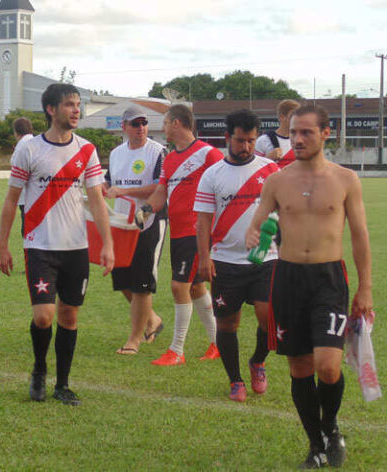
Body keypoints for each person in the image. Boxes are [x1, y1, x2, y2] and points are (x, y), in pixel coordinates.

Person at [247, 105, 372, 469]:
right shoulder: (277, 180)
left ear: (325, 134)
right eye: (293, 132)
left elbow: (361, 236)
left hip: (329, 279)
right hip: (287, 279)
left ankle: (330, 425)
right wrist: (254, 233)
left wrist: (365, 289)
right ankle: (316, 446)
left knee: (328, 366)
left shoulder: (346, 179)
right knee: (299, 368)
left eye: (306, 133)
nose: (297, 139)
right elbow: (256, 227)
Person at [0, 83, 114, 406]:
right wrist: (2, 245)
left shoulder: (87, 151)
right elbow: (11, 200)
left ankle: (62, 385)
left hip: (76, 247)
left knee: (69, 317)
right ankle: (38, 369)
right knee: (44, 316)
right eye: (69, 105)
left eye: (78, 105)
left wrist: (107, 245)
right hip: (40, 246)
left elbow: (97, 201)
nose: (76, 110)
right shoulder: (29, 149)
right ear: (50, 109)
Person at [194, 109, 279, 402]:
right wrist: (204, 257)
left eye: (251, 141)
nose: (246, 147)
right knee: (228, 324)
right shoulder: (212, 175)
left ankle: (258, 361)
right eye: (241, 141)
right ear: (228, 137)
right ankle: (235, 380)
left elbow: (284, 211)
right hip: (225, 262)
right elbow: (203, 220)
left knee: (269, 317)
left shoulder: (270, 170)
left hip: (265, 258)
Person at [141, 104, 221, 366]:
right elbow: (161, 193)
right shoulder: (171, 158)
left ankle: (177, 350)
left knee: (179, 286)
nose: (162, 129)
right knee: (196, 286)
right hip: (178, 232)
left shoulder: (209, 154)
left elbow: (226, 183)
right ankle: (216, 344)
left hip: (197, 231)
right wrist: (144, 210)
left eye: (164, 123)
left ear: (176, 123)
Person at [104, 104, 167, 356]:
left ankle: (135, 339)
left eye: (144, 123)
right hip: (122, 223)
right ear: (124, 127)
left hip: (149, 222)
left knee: (141, 284)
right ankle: (152, 319)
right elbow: (108, 182)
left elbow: (158, 187)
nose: (141, 128)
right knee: (121, 281)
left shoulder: (158, 152)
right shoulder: (117, 153)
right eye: (135, 124)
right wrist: (97, 189)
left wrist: (124, 191)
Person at [254, 99, 300, 169]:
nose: (297, 120)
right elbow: (254, 170)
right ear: (282, 117)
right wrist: (268, 159)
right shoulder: (263, 141)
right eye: (293, 116)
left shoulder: (302, 140)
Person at [12, 117, 34, 237]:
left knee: (28, 233)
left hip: (27, 197)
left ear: (16, 131)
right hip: (36, 196)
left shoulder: (22, 146)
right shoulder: (35, 142)